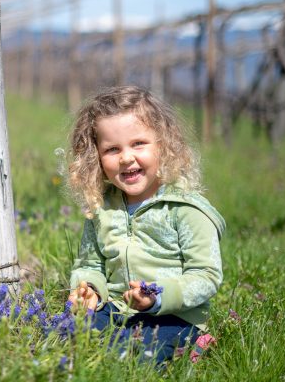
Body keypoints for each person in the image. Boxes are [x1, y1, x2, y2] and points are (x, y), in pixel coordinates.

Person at [65, 85, 225, 366]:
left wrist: (157, 297)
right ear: (97, 158)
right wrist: (88, 288)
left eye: (138, 143)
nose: (126, 157)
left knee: (130, 356)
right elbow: (90, 264)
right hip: (117, 308)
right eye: (112, 149)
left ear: (163, 144)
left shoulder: (185, 209)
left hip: (175, 315)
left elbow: (205, 276)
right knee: (68, 338)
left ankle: (194, 343)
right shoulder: (102, 208)